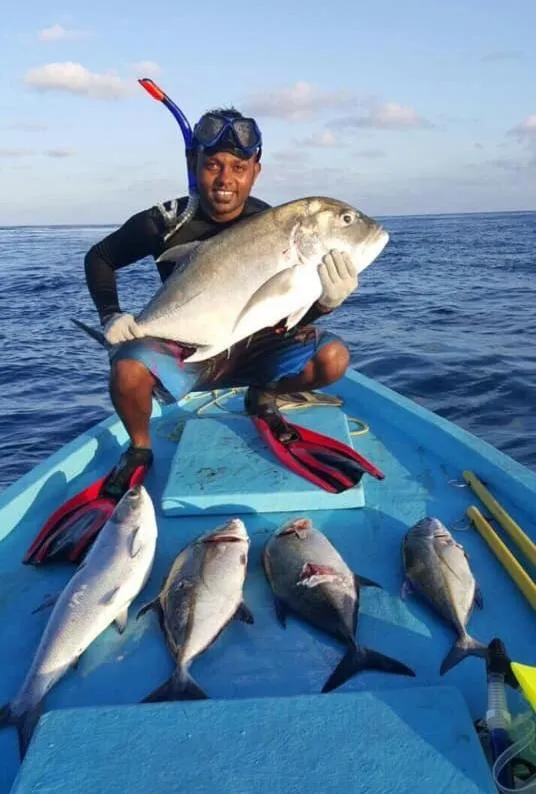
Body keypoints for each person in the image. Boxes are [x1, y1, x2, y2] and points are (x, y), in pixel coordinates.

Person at [83, 107, 359, 493]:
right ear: (194, 163)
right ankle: (140, 449)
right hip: (186, 351)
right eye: (213, 165)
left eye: (238, 167)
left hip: (252, 348)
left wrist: (326, 303)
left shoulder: (272, 225)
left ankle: (262, 396)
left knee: (333, 357)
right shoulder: (167, 220)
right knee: (126, 369)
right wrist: (110, 314)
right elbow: (100, 257)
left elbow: (285, 314)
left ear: (255, 171)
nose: (225, 179)